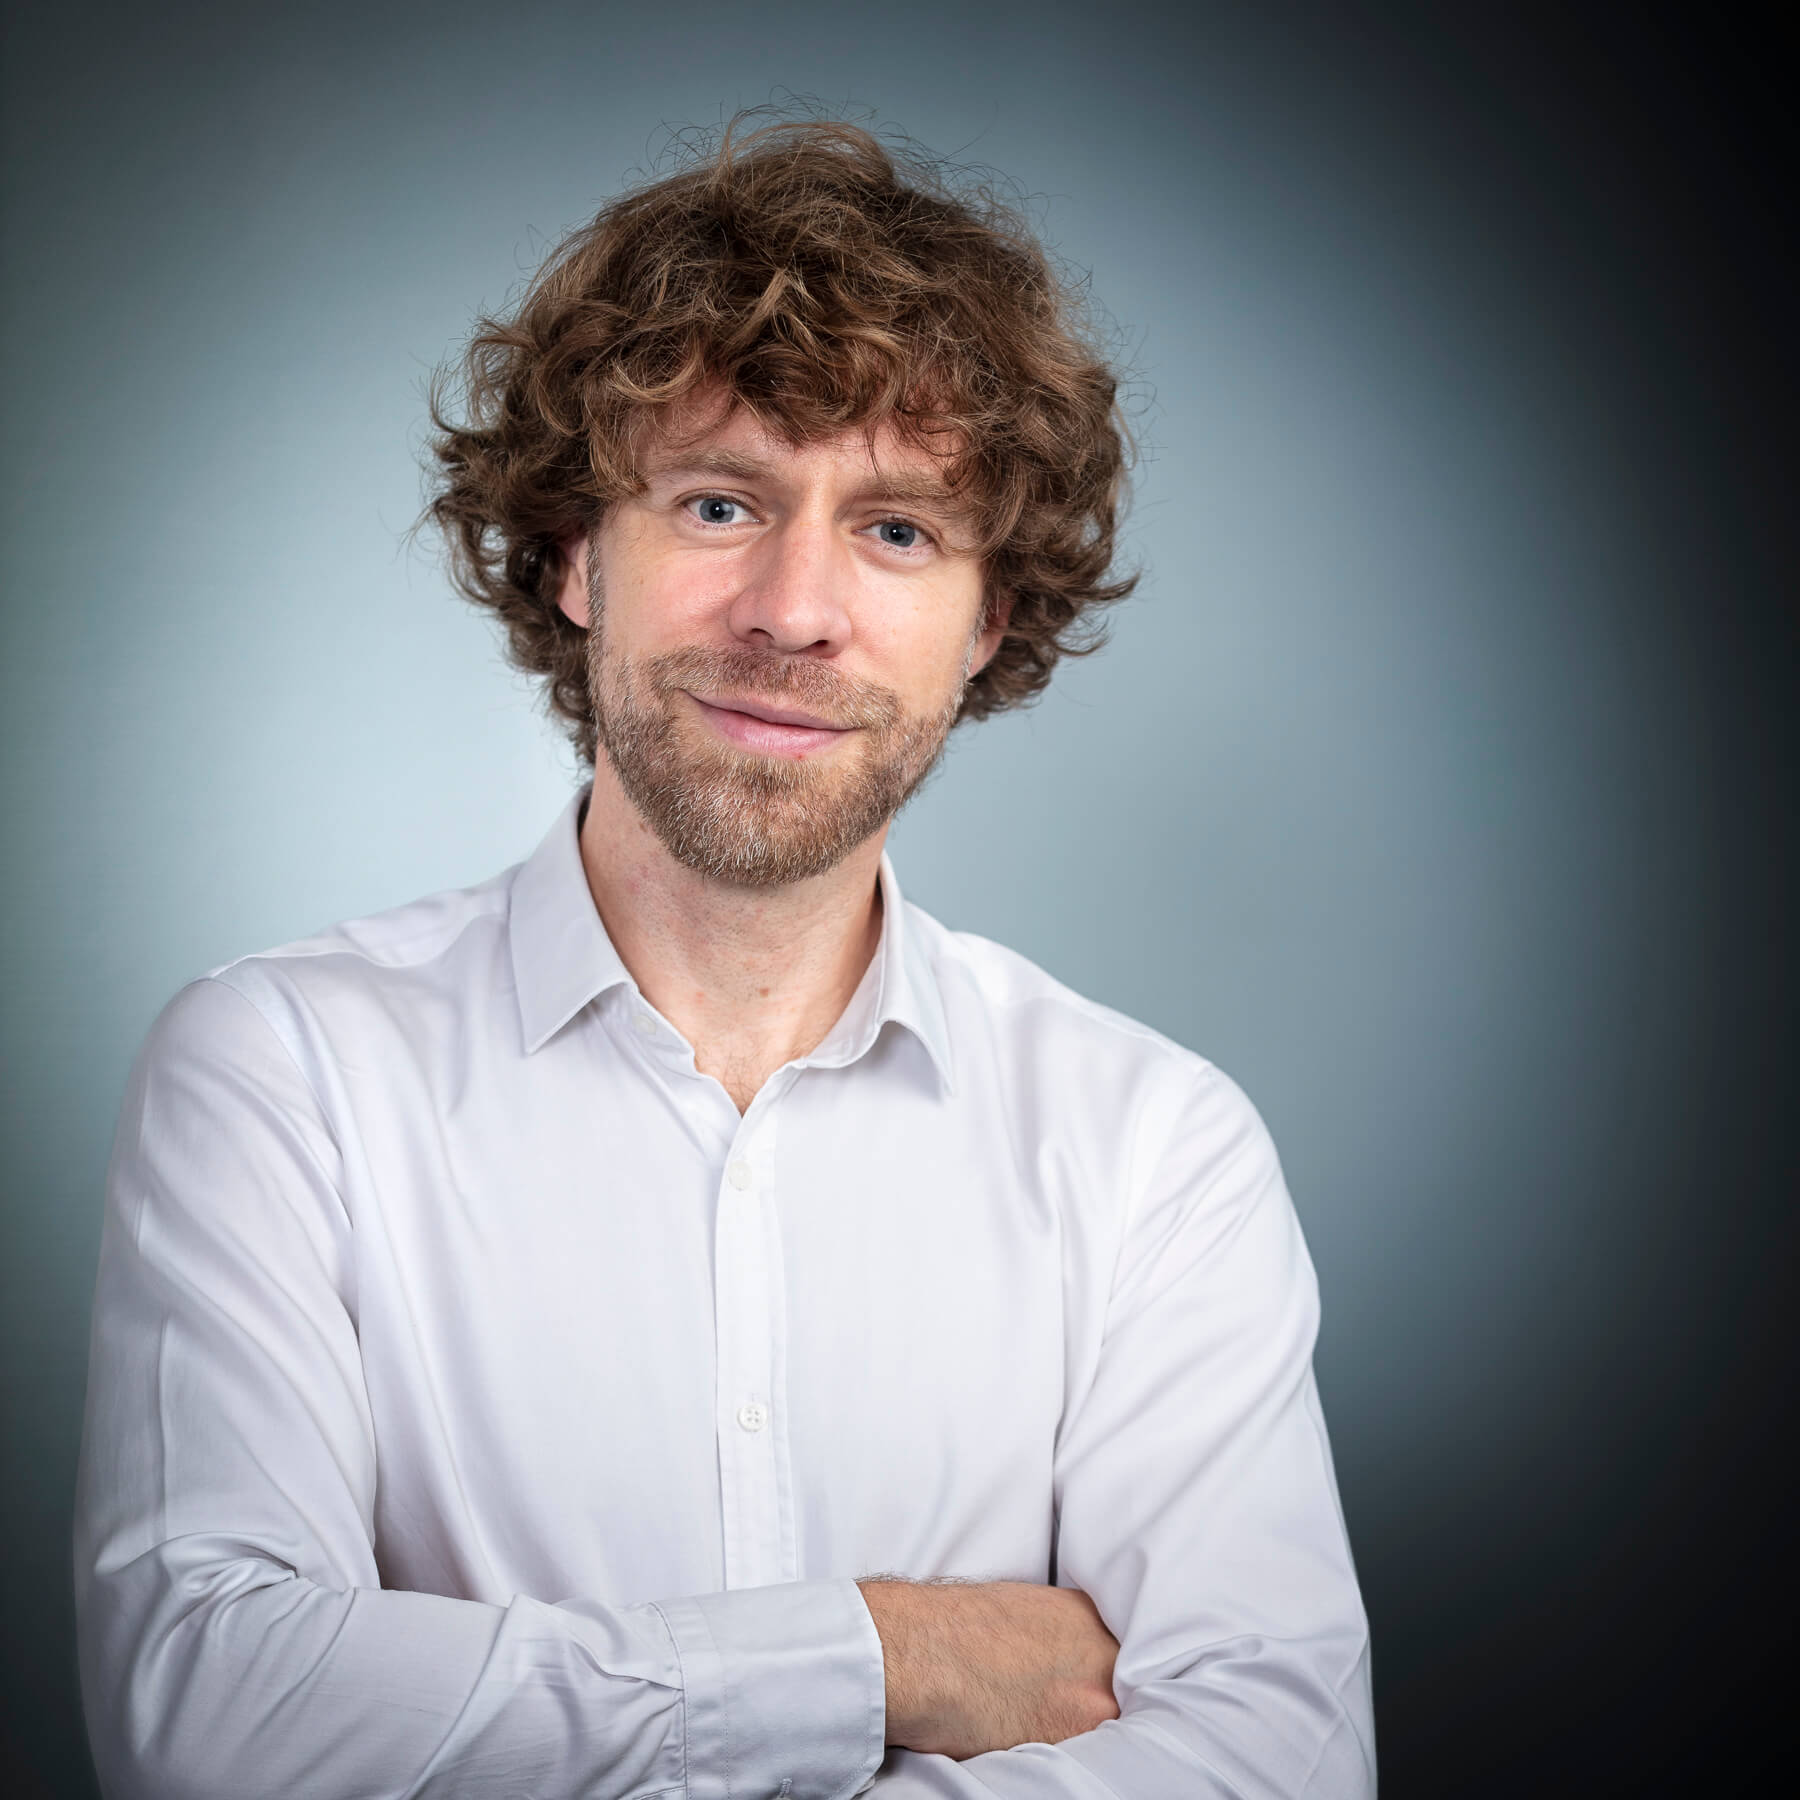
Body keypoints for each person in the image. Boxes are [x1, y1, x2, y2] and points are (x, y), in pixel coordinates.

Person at [73, 119, 1375, 1798]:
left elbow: (1277, 1762)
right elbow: (210, 1717)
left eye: (898, 531)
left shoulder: (1155, 1153)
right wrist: (885, 1657)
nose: (793, 607)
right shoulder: (282, 1073)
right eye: (717, 502)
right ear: (573, 556)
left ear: (987, 619)